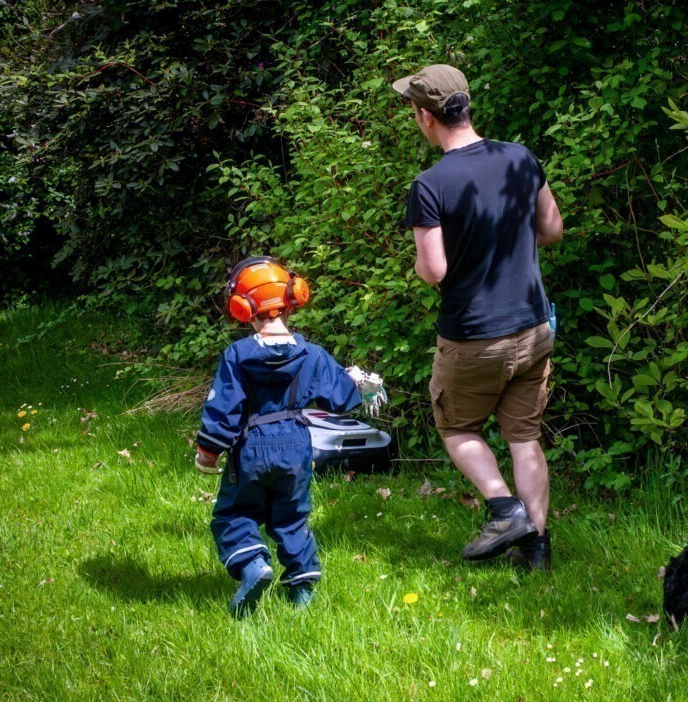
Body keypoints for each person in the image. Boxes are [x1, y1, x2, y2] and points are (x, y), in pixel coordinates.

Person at [393, 64, 564, 571]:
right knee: (524, 438)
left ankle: (505, 510)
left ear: (426, 116)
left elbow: (434, 270)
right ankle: (536, 551)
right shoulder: (520, 158)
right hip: (533, 328)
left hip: (473, 338)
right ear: (466, 105)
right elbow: (552, 228)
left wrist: (422, 264)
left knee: (457, 428)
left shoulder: (430, 185)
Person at [194, 256, 362, 617]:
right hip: (296, 446)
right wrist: (353, 380)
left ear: (242, 308)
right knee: (291, 517)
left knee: (233, 513)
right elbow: (343, 398)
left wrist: (208, 451)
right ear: (292, 298)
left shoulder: (238, 355)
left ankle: (253, 564)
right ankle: (302, 591)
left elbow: (223, 408)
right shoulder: (312, 354)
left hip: (251, 447)